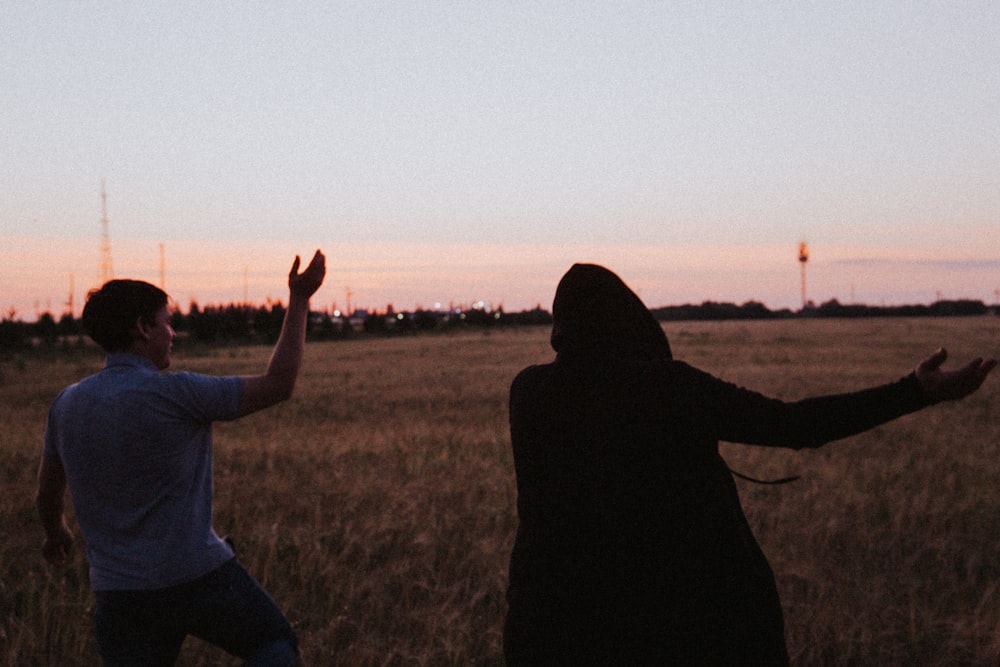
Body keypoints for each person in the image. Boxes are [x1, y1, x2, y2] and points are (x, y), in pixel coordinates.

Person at [503, 263, 995, 666]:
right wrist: (914, 391)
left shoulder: (528, 392)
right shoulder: (670, 387)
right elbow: (797, 425)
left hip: (550, 626)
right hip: (672, 627)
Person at [36, 250, 326, 666]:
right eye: (167, 322)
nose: (172, 333)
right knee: (272, 643)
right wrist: (299, 300)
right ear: (142, 328)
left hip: (118, 594)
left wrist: (55, 533)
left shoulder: (66, 404)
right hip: (198, 576)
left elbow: (47, 493)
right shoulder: (178, 394)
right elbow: (279, 384)